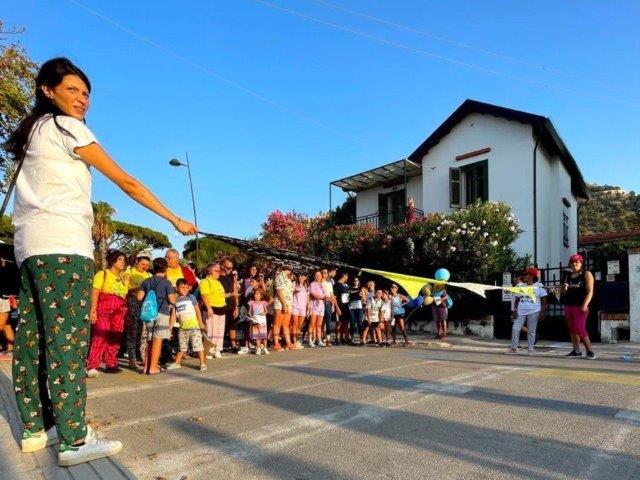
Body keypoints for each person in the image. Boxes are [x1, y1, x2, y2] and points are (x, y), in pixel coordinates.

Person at [6, 57, 196, 465]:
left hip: (30, 248)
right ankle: (74, 439)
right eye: (72, 89)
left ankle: (37, 428)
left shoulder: (32, 133)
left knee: (34, 338)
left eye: (86, 93)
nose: (82, 100)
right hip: (64, 247)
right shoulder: (66, 127)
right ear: (47, 90)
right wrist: (175, 219)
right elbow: (125, 181)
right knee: (69, 341)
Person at [86, 250, 130, 377]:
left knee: (115, 337)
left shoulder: (124, 277)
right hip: (104, 310)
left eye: (123, 260)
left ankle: (111, 364)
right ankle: (93, 366)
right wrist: (93, 310)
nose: (122, 262)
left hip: (119, 311)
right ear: (112, 260)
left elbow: (124, 294)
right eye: (120, 259)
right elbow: (95, 292)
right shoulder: (102, 274)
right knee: (101, 335)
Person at [138, 258, 177, 374]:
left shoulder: (146, 281)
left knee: (150, 340)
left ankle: (146, 366)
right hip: (162, 311)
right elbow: (172, 300)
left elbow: (139, 297)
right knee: (157, 340)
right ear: (165, 268)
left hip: (149, 312)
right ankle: (153, 367)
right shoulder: (167, 282)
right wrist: (175, 295)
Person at [562, 254, 596, 359]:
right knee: (572, 329)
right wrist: (564, 289)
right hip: (569, 305)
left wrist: (585, 304)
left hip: (580, 306)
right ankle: (576, 351)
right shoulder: (568, 275)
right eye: (572, 262)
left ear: (581, 263)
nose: (574, 264)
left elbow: (590, 292)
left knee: (580, 329)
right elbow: (565, 293)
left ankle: (590, 351)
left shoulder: (586, 274)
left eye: (577, 262)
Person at [506, 267, 547, 356]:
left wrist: (542, 311)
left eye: (526, 274)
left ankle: (530, 349)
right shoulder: (520, 286)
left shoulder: (539, 286)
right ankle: (514, 348)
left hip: (534, 311)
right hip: (521, 311)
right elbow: (516, 299)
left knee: (531, 331)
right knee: (515, 328)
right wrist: (515, 311)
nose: (524, 276)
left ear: (532, 276)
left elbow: (543, 300)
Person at [167, 279, 206, 371]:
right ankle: (177, 363)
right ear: (177, 288)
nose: (185, 289)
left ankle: (202, 363)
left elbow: (197, 311)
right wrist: (169, 328)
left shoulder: (191, 297)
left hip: (194, 327)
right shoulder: (175, 300)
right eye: (182, 287)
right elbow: (173, 315)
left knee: (198, 346)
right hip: (182, 328)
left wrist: (200, 322)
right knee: (182, 347)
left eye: (186, 288)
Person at [123, 251, 151, 370]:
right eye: (142, 264)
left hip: (145, 303)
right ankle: (132, 358)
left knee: (142, 330)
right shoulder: (129, 271)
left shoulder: (149, 275)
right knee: (133, 329)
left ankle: (141, 354)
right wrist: (139, 288)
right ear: (137, 262)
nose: (144, 267)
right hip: (133, 300)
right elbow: (125, 288)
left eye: (147, 265)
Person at [199, 263, 226, 358]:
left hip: (221, 308)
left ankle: (218, 349)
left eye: (220, 271)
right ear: (211, 271)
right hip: (211, 308)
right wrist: (209, 308)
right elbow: (204, 295)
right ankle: (209, 349)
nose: (219, 273)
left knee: (220, 330)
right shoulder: (205, 281)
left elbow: (221, 295)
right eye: (217, 271)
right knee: (211, 330)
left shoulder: (218, 282)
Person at [219, 259, 243, 353]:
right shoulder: (217, 277)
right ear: (222, 266)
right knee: (222, 326)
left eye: (232, 268)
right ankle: (219, 346)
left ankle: (233, 345)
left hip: (232, 305)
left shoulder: (232, 277)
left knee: (232, 325)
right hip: (221, 304)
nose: (230, 269)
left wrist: (237, 306)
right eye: (228, 267)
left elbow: (235, 292)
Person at [272, 267, 294, 351]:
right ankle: (276, 343)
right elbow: (279, 291)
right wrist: (284, 304)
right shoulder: (279, 276)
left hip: (288, 304)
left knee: (286, 324)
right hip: (280, 304)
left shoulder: (288, 278)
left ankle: (288, 343)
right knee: (278, 323)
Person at [248, 289, 269, 355]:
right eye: (255, 294)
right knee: (257, 335)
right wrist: (251, 317)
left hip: (262, 320)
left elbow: (266, 311)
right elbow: (249, 311)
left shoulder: (263, 302)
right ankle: (258, 348)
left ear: (261, 296)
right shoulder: (251, 302)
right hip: (255, 320)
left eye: (257, 294)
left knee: (264, 335)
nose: (255, 296)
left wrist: (263, 313)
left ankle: (265, 347)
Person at [308, 271, 326, 347]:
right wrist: (323, 297)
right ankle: (310, 340)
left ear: (321, 276)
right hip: (314, 306)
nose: (317, 276)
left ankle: (319, 340)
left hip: (321, 306)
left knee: (319, 325)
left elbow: (325, 294)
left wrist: (326, 298)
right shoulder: (312, 284)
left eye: (318, 275)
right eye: (316, 275)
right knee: (312, 324)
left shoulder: (322, 285)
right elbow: (313, 294)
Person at [291, 273, 308, 349]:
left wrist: (308, 308)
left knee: (299, 326)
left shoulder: (306, 286)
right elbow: (291, 292)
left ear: (305, 277)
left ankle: (296, 340)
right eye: (299, 276)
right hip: (295, 306)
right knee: (295, 324)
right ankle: (294, 341)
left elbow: (307, 298)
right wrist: (294, 291)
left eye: (302, 276)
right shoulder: (294, 283)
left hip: (303, 308)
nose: (300, 277)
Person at [333, 271, 351, 345]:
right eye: (347, 276)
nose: (347, 278)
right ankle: (337, 339)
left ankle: (344, 338)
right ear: (344, 276)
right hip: (339, 307)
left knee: (346, 323)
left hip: (346, 307)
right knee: (338, 323)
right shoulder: (336, 285)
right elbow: (334, 298)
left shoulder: (346, 286)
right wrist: (337, 308)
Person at [348, 278, 365, 344]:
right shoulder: (350, 288)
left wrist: (362, 296)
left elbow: (364, 299)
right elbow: (348, 298)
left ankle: (361, 339)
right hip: (352, 307)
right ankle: (352, 338)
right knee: (352, 323)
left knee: (359, 323)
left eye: (357, 280)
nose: (356, 281)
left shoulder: (361, 288)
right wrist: (349, 304)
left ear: (359, 281)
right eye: (354, 280)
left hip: (359, 307)